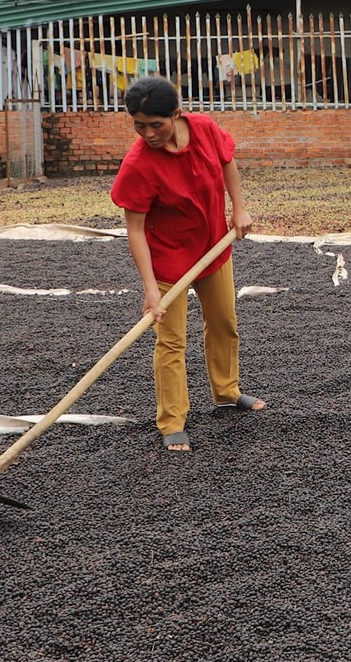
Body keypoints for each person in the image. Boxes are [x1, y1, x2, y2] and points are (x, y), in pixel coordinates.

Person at [109, 76, 263, 452]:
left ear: (176, 114)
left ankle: (227, 391)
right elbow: (135, 230)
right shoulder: (138, 165)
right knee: (172, 341)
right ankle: (172, 421)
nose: (147, 133)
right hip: (168, 261)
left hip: (212, 247)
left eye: (155, 125)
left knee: (225, 322)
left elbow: (228, 163)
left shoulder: (205, 130)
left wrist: (238, 209)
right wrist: (150, 289)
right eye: (138, 125)